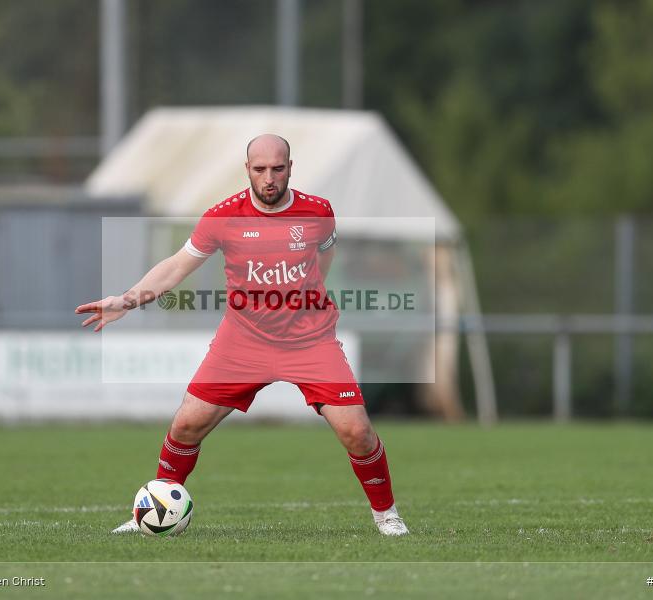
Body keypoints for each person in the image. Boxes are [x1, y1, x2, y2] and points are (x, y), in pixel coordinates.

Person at [76, 134, 409, 536]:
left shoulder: (318, 212)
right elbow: (177, 267)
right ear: (247, 169)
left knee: (357, 431)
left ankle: (387, 515)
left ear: (290, 167)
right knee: (186, 425)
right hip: (244, 341)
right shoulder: (222, 217)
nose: (269, 178)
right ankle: (153, 510)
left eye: (278, 169)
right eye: (260, 169)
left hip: (310, 340)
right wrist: (127, 300)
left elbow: (324, 257)